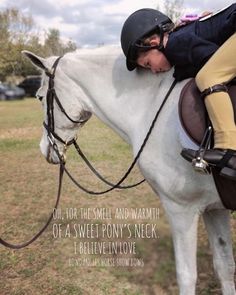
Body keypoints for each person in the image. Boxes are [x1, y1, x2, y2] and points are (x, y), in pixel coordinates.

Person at [120, 4, 236, 180]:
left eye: (148, 64)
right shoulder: (181, 37)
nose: (153, 71)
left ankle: (229, 149)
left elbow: (210, 57)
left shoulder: (175, 44)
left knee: (208, 77)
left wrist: (180, 72)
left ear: (154, 44)